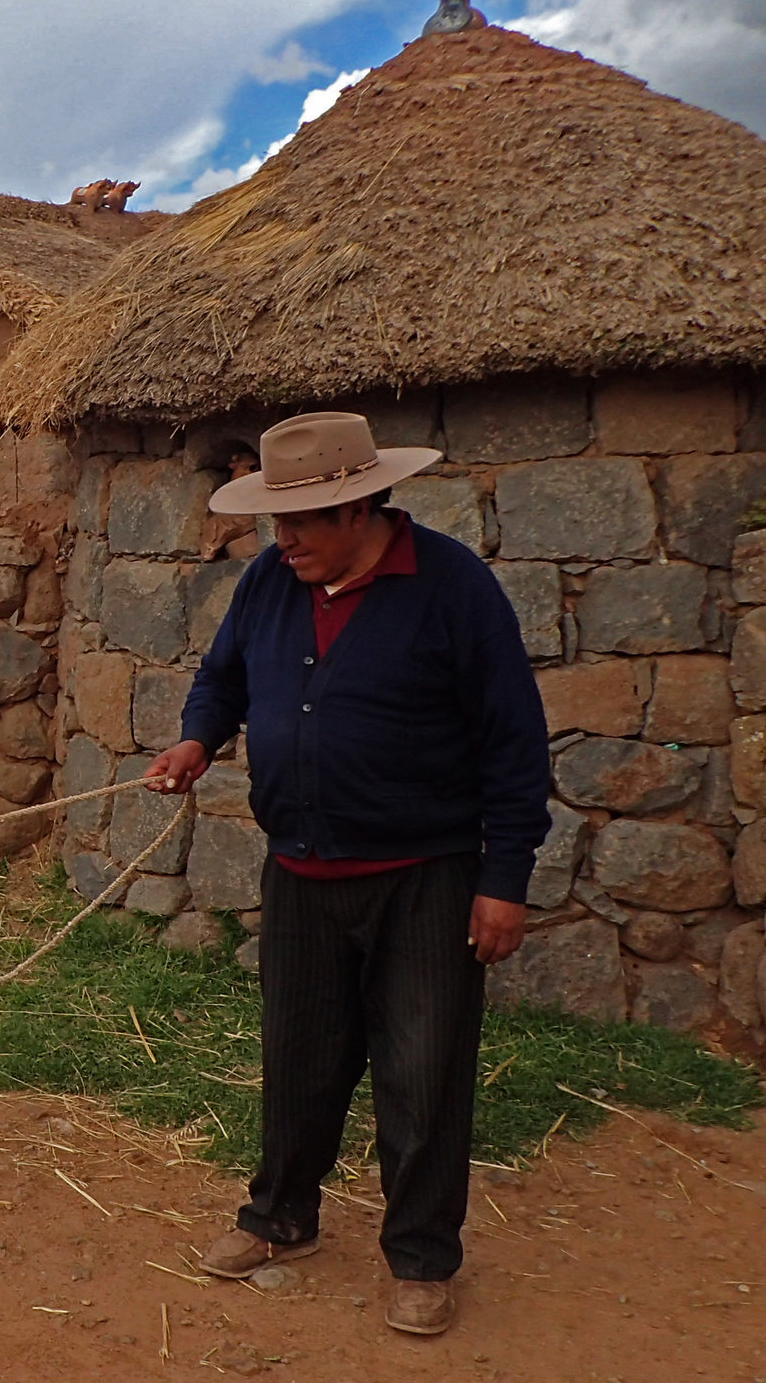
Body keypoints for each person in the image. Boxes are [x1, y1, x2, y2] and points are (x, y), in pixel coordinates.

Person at [143, 410, 548, 1338]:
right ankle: (280, 1217)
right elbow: (223, 678)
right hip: (301, 869)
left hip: (426, 874)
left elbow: (513, 743)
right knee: (298, 1061)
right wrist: (198, 737)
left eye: (304, 522)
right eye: (277, 521)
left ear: (364, 504)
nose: (283, 540)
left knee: (423, 1069)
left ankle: (420, 1258)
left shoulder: (454, 588)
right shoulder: (267, 583)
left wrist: (505, 876)